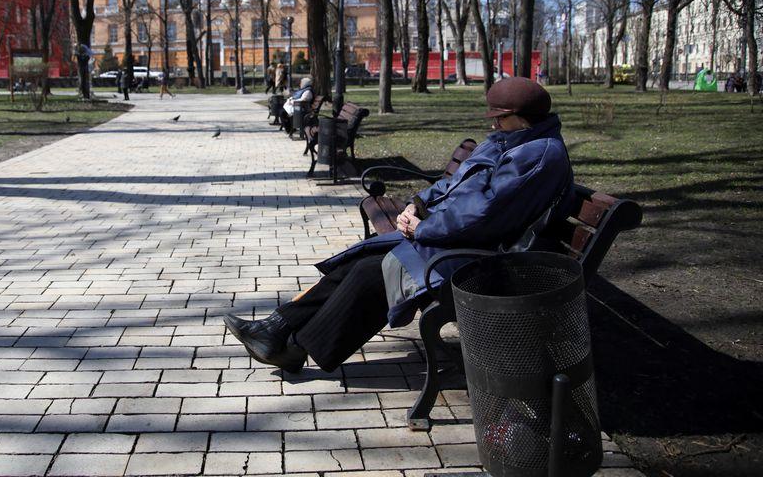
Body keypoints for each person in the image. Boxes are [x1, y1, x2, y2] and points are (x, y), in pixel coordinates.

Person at [224, 77, 575, 374]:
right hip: (453, 240)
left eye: (500, 117)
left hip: (485, 259)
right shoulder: (509, 140)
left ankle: (296, 347)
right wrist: (415, 206)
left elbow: (486, 214)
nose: (493, 123)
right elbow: (450, 187)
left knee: (372, 273)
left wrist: (420, 229)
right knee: (356, 262)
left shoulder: (538, 156)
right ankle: (276, 328)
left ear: (524, 118)